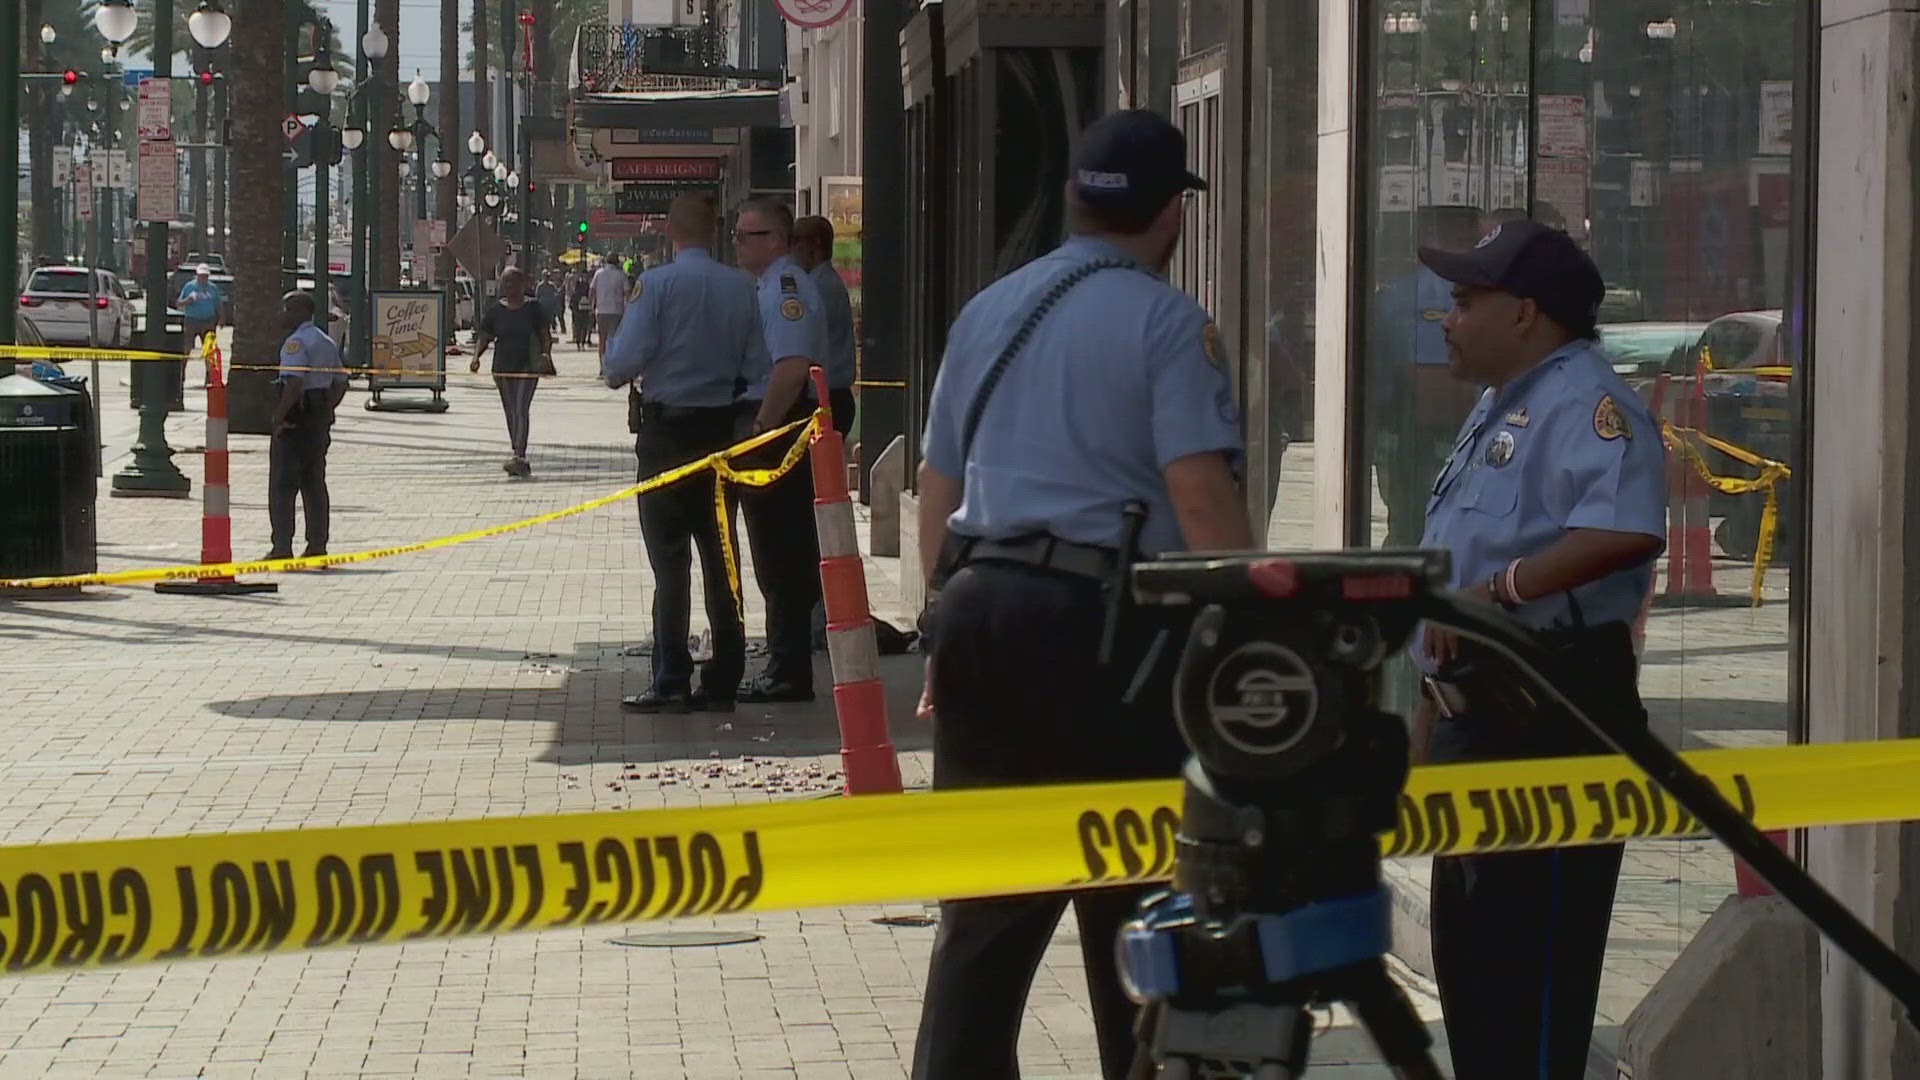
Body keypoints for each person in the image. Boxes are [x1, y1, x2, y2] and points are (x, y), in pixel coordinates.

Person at [909, 110, 1252, 1080]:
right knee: (1137, 903)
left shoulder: (990, 310)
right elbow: (1201, 498)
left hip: (980, 611)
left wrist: (944, 626)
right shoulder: (1170, 325)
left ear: (1072, 199)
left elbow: (939, 488)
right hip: (1109, 635)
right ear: (1171, 216)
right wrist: (1253, 635)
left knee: (982, 913)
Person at [1412, 217, 1666, 1079]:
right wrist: (1425, 709)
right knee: (1476, 980)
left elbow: (1624, 530)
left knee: (1534, 991)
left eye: (1462, 301)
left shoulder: (1587, 402)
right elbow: (1453, 585)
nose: (1446, 318)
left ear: (1524, 313)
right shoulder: (1501, 404)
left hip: (1554, 712)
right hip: (1473, 712)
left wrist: (1501, 593)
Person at [604, 193, 766, 713]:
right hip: (720, 431)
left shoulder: (654, 285)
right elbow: (758, 364)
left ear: (670, 231)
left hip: (666, 435)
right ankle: (725, 676)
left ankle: (671, 675)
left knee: (670, 563)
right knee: (722, 558)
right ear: (717, 230)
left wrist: (616, 369)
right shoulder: (744, 288)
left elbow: (623, 361)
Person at [731, 198, 829, 703]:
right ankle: (782, 662)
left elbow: (791, 367)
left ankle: (788, 669)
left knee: (781, 551)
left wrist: (762, 427)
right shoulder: (769, 286)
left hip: (779, 427)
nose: (736, 243)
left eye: (746, 235)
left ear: (774, 239)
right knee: (773, 552)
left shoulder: (786, 289)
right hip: (776, 422)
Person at [266, 291, 348, 559]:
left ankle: (282, 546)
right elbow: (340, 382)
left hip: (296, 420)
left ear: (300, 312)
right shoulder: (325, 341)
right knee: (314, 483)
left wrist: (280, 416)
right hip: (317, 420)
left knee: (283, 484)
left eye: (287, 309)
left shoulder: (296, 344)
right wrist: (326, 409)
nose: (282, 314)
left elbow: (294, 382)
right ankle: (317, 544)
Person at [468, 266, 553, 478]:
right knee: (510, 411)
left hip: (526, 367)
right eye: (505, 283)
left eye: (512, 282)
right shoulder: (496, 310)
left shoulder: (533, 308)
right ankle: (517, 450)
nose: (508, 287)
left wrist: (546, 355)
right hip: (502, 368)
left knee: (520, 409)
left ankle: (519, 455)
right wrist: (476, 357)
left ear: (522, 284)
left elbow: (545, 334)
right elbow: (485, 336)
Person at [791, 215, 857, 436]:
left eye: (795, 240)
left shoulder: (819, 287)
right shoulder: (819, 283)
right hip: (828, 395)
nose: (791, 250)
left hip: (826, 397)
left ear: (815, 245)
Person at [590, 253, 627, 371]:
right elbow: (628, 293)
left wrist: (592, 306)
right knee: (615, 340)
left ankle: (603, 366)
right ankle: (614, 365)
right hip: (617, 311)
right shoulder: (621, 275)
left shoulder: (598, 274)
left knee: (602, 340)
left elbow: (592, 291)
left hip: (601, 311)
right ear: (617, 262)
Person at [537, 268, 565, 338]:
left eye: (548, 276)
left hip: (551, 306)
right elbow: (537, 296)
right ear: (543, 276)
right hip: (542, 306)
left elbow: (556, 294)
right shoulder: (540, 286)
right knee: (543, 321)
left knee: (550, 320)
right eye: (546, 276)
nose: (547, 278)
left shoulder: (552, 285)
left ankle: (549, 333)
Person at [569, 268, 593, 349]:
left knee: (584, 326)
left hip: (586, 308)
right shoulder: (578, 284)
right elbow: (574, 295)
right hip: (578, 308)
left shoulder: (588, 285)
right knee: (579, 326)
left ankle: (582, 342)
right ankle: (579, 342)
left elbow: (591, 295)